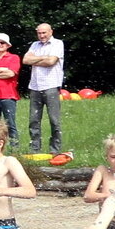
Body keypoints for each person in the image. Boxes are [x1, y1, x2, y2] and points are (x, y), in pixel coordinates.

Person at [24, 22, 64, 152]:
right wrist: (43, 58)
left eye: (44, 32)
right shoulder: (34, 45)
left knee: (54, 120)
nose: (41, 35)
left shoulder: (58, 43)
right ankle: (34, 149)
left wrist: (35, 59)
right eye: (39, 33)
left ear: (51, 32)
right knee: (34, 120)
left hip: (51, 85)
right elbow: (25, 60)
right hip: (35, 86)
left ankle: (55, 150)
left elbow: (51, 62)